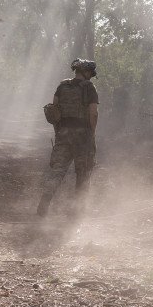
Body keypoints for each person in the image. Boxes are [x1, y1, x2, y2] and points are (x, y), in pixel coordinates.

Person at [37, 59, 99, 216]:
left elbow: (53, 110)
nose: (91, 76)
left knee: (57, 171)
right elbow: (93, 113)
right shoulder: (89, 87)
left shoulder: (62, 85)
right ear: (85, 72)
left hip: (63, 133)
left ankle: (44, 204)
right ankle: (76, 213)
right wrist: (92, 133)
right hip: (83, 135)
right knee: (83, 173)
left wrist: (59, 131)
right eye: (90, 73)